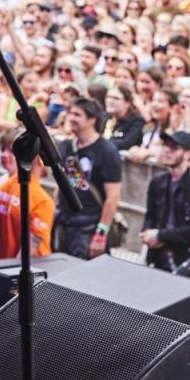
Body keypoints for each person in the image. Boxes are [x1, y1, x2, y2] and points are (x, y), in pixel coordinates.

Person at [55, 97, 123, 259]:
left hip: (89, 226)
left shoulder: (106, 150)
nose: (71, 118)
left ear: (92, 119)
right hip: (65, 222)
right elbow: (61, 184)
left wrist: (101, 233)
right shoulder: (66, 146)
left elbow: (113, 196)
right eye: (70, 113)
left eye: (77, 115)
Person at [0, 133, 56, 260]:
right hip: (33, 274)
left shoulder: (0, 189)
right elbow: (28, 255)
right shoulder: (42, 201)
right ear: (41, 158)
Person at [140, 131, 190, 271]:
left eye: (174, 147)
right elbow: (150, 216)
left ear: (188, 154)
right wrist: (146, 233)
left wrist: (160, 235)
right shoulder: (157, 182)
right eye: (166, 145)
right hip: (156, 255)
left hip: (183, 258)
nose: (167, 150)